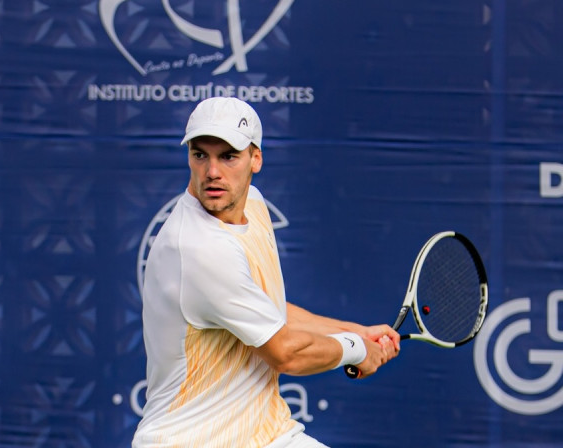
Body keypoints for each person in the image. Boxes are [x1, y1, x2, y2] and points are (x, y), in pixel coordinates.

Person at [132, 97, 400, 447]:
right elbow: (285, 352)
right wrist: (356, 349)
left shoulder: (254, 206)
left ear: (255, 158)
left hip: (266, 432)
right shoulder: (198, 249)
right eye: (201, 155)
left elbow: (269, 311)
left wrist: (358, 331)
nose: (212, 172)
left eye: (228, 156)